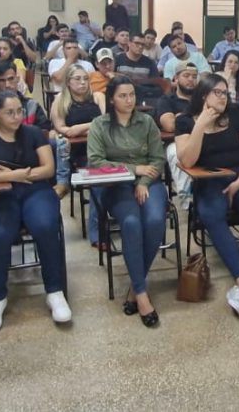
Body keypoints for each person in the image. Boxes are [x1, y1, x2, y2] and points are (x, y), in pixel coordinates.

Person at [0, 91, 70, 334]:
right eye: (9, 113)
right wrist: (13, 175)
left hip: (36, 190)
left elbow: (47, 169)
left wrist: (22, 175)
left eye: (19, 111)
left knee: (45, 225)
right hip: (0, 193)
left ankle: (54, 291)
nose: (16, 117)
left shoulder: (33, 133)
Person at [175, 74, 239, 316]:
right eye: (216, 92)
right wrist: (200, 125)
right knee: (211, 214)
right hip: (208, 178)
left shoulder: (236, 113)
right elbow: (187, 160)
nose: (223, 97)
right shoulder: (185, 121)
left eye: (225, 92)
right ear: (203, 95)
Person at [86, 76, 167, 326]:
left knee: (154, 221)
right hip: (116, 185)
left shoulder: (147, 122)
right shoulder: (100, 125)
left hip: (150, 182)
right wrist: (135, 170)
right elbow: (96, 162)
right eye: (123, 95)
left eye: (132, 95)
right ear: (112, 98)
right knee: (131, 223)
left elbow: (158, 159)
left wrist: (143, 181)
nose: (129, 100)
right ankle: (142, 294)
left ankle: (134, 286)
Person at [51, 65, 104, 247]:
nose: (82, 83)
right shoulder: (60, 100)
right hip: (76, 152)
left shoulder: (97, 97)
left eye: (85, 79)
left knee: (98, 171)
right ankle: (63, 181)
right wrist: (88, 129)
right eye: (77, 79)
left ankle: (99, 227)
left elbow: (104, 122)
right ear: (68, 82)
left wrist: (80, 128)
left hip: (99, 148)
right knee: (60, 140)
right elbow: (61, 128)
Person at [0, 61, 52, 137]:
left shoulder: (32, 106)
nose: (7, 85)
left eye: (11, 79)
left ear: (17, 79)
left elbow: (45, 132)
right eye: (1, 80)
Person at [155, 63, 199, 201]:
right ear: (176, 79)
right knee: (176, 154)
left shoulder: (203, 99)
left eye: (194, 76)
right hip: (176, 142)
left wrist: (181, 117)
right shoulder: (167, 100)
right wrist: (197, 119)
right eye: (186, 76)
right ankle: (189, 202)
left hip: (203, 139)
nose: (191, 79)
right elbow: (170, 125)